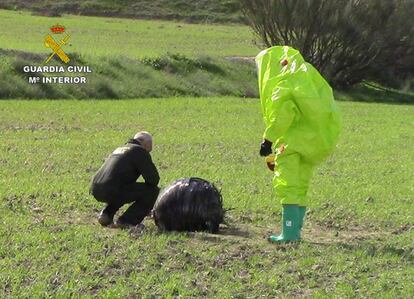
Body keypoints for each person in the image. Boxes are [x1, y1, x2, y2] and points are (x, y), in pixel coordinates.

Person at [256, 46, 341, 243]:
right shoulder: (306, 76)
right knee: (301, 185)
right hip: (314, 141)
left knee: (287, 184)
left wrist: (268, 139)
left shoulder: (282, 85)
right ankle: (296, 229)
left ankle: (289, 233)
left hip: (292, 144)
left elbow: (282, 115)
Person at [90, 131, 160, 228]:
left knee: (124, 187)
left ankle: (106, 214)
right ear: (146, 143)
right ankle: (127, 221)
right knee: (152, 191)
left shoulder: (119, 149)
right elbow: (153, 179)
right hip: (112, 189)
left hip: (96, 188)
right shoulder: (139, 151)